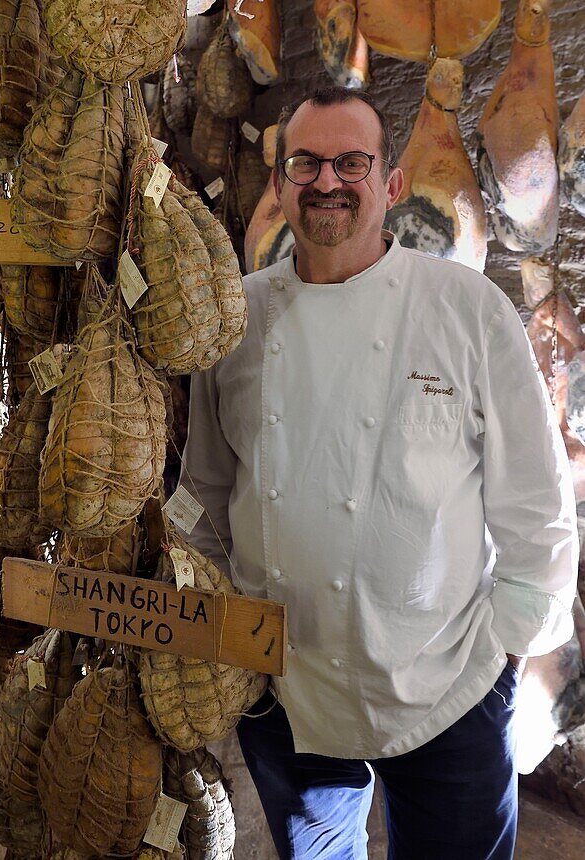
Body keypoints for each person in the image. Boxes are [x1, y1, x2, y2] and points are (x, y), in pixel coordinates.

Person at [179, 87, 579, 860]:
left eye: (351, 162)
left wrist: (508, 649)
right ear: (279, 183)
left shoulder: (466, 307)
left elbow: (535, 498)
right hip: (284, 687)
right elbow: (206, 490)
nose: (327, 181)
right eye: (305, 163)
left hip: (448, 682)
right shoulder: (236, 317)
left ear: (390, 184)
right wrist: (230, 644)